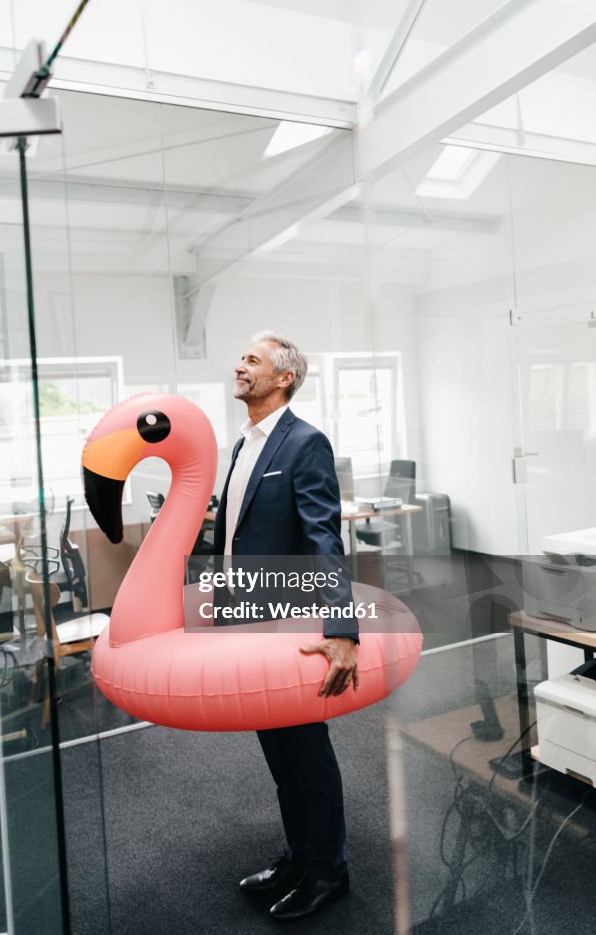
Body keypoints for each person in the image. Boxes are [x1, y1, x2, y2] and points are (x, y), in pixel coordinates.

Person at [212, 331, 360, 923]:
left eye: (253, 359)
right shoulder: (243, 444)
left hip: (289, 620)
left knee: (305, 749)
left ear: (283, 379)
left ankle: (330, 870)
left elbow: (325, 537)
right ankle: (299, 855)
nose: (240, 365)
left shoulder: (305, 442)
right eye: (241, 356)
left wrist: (342, 628)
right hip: (245, 614)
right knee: (276, 747)